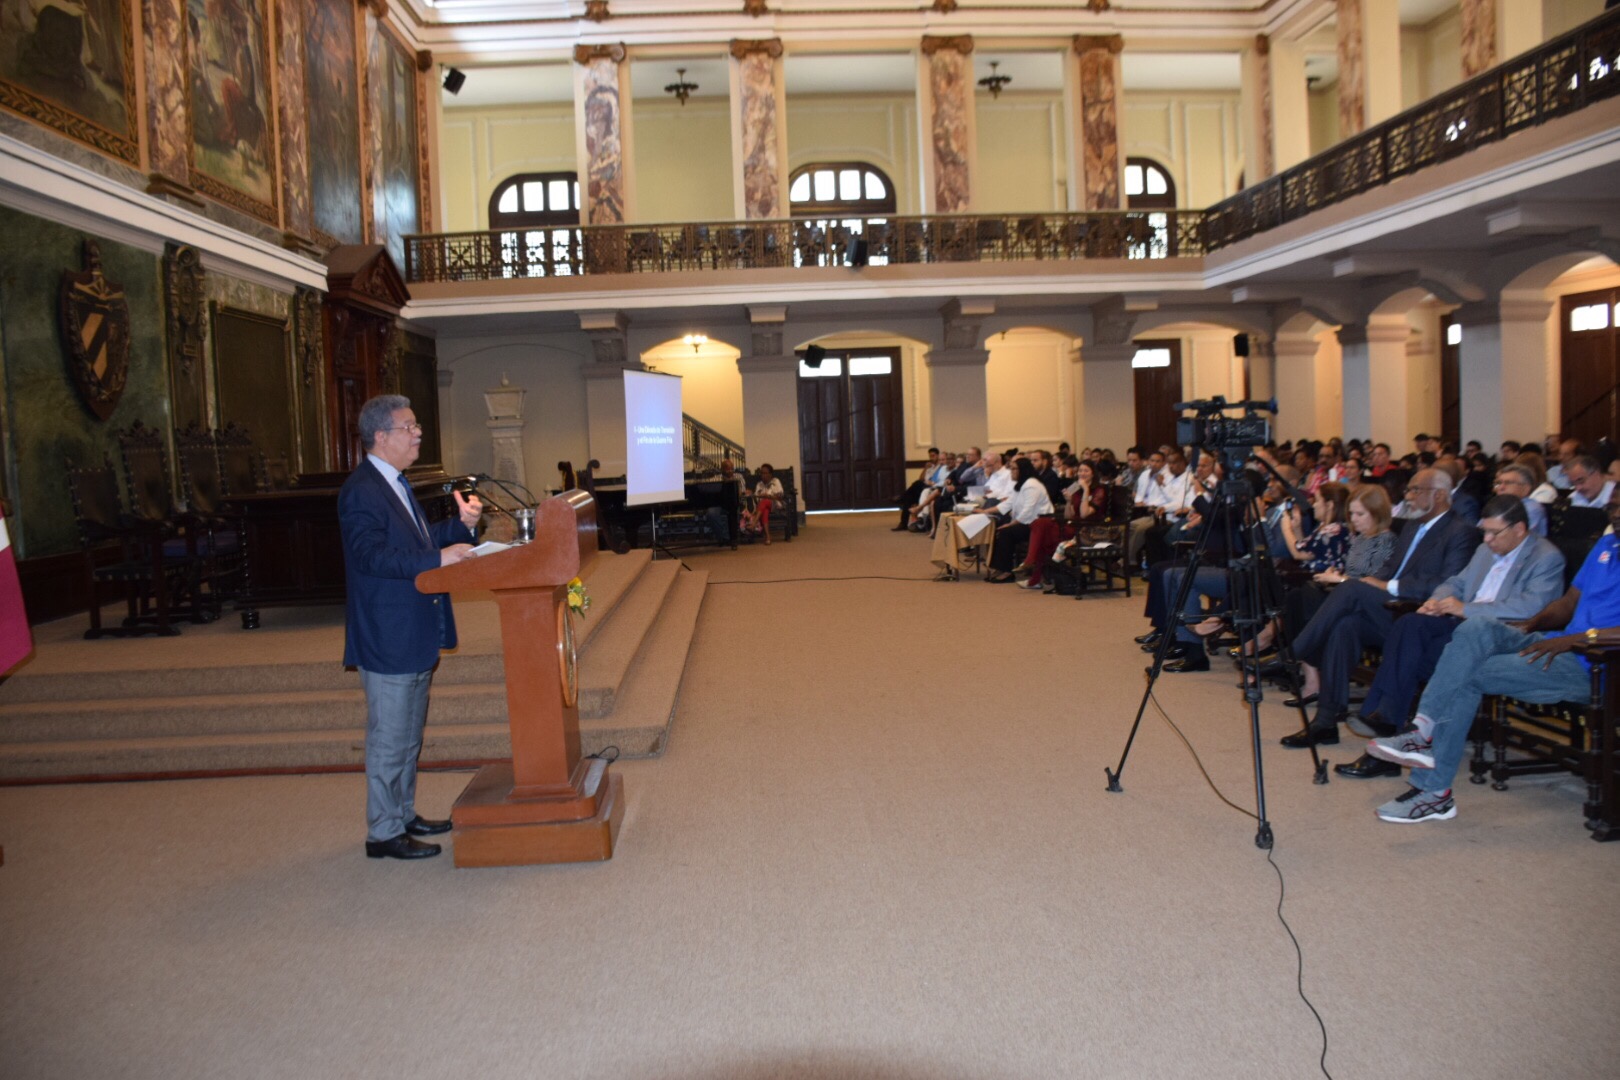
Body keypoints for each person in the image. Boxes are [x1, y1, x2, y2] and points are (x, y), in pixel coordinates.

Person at [1365, 487, 1620, 823]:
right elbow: (1570, 601)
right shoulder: (1606, 544)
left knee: (1467, 673)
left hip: (1596, 662)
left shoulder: (1552, 554)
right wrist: (1533, 623)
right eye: (1613, 505)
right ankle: (1423, 730)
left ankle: (1434, 792)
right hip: (1558, 641)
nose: (1615, 512)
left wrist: (1576, 639)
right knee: (1477, 627)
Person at [341, 395, 483, 861]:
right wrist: (437, 557)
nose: (418, 433)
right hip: (388, 633)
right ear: (381, 436)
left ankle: (402, 815)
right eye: (409, 427)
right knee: (389, 738)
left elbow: (420, 542)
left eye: (416, 425)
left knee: (408, 736)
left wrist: (460, 527)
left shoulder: (396, 483)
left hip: (413, 628)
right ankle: (383, 833)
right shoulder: (362, 490)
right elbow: (371, 557)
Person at [1335, 495, 1566, 779]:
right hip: (1460, 625)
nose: (1488, 539)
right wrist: (1437, 601)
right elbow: (1455, 582)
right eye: (1485, 531)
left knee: (1410, 658)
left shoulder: (1546, 557)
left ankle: (1385, 731)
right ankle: (1385, 721)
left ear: (1519, 529)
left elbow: (1530, 607)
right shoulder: (1484, 550)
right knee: (1409, 624)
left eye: (1495, 533)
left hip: (1498, 636)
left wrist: (1465, 609)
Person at [1280, 468, 1478, 747]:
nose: (1409, 496)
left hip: (1420, 615)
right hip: (1391, 610)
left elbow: (1446, 582)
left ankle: (1293, 653)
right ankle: (1325, 721)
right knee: (1345, 625)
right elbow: (1389, 568)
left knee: (1350, 589)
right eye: (1409, 490)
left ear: (1439, 495)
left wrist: (1385, 586)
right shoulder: (1411, 527)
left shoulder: (1461, 531)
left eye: (1415, 490)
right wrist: (1373, 582)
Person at [985, 457, 1054, 582]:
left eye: (1014, 469)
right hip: (1029, 523)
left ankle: (1006, 572)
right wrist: (984, 511)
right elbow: (1008, 503)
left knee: (1006, 532)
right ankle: (1000, 568)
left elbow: (1028, 510)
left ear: (1023, 470)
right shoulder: (1021, 484)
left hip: (1039, 524)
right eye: (1011, 468)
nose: (1011, 471)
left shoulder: (1031, 484)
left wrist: (1011, 524)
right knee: (1001, 530)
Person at [704, 458, 745, 545]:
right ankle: (722, 537)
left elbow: (742, 491)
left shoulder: (739, 477)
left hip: (734, 504)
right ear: (722, 470)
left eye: (731, 468)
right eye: (727, 469)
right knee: (711, 513)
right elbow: (707, 489)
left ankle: (730, 538)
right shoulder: (716, 479)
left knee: (732, 512)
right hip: (718, 504)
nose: (730, 471)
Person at [748, 463, 784, 545]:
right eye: (762, 473)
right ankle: (768, 537)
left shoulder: (775, 481)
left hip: (775, 505)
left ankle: (753, 524)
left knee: (764, 501)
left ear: (770, 474)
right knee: (765, 511)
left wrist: (768, 496)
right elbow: (756, 497)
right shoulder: (759, 484)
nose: (763, 475)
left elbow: (780, 496)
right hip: (762, 507)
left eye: (765, 473)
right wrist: (752, 494)